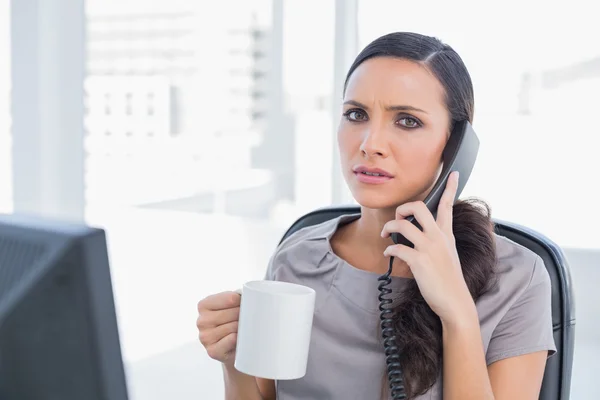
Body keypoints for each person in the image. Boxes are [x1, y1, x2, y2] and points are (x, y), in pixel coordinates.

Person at [196, 32, 556, 400]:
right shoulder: (297, 259)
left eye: (407, 121)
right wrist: (233, 361)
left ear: (456, 147)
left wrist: (457, 313)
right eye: (356, 114)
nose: (370, 144)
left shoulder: (518, 278)